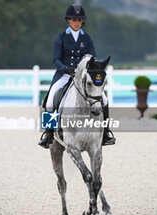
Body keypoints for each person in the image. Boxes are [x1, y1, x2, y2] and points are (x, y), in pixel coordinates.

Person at [38, 4, 116, 149]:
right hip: (64, 75)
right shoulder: (61, 37)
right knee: (49, 100)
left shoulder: (86, 38)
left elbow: (92, 57)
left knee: (104, 99)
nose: (76, 22)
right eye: (74, 19)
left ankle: (105, 132)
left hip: (82, 77)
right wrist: (65, 68)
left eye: (79, 20)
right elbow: (56, 59)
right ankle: (48, 134)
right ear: (68, 20)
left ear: (82, 21)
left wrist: (86, 70)